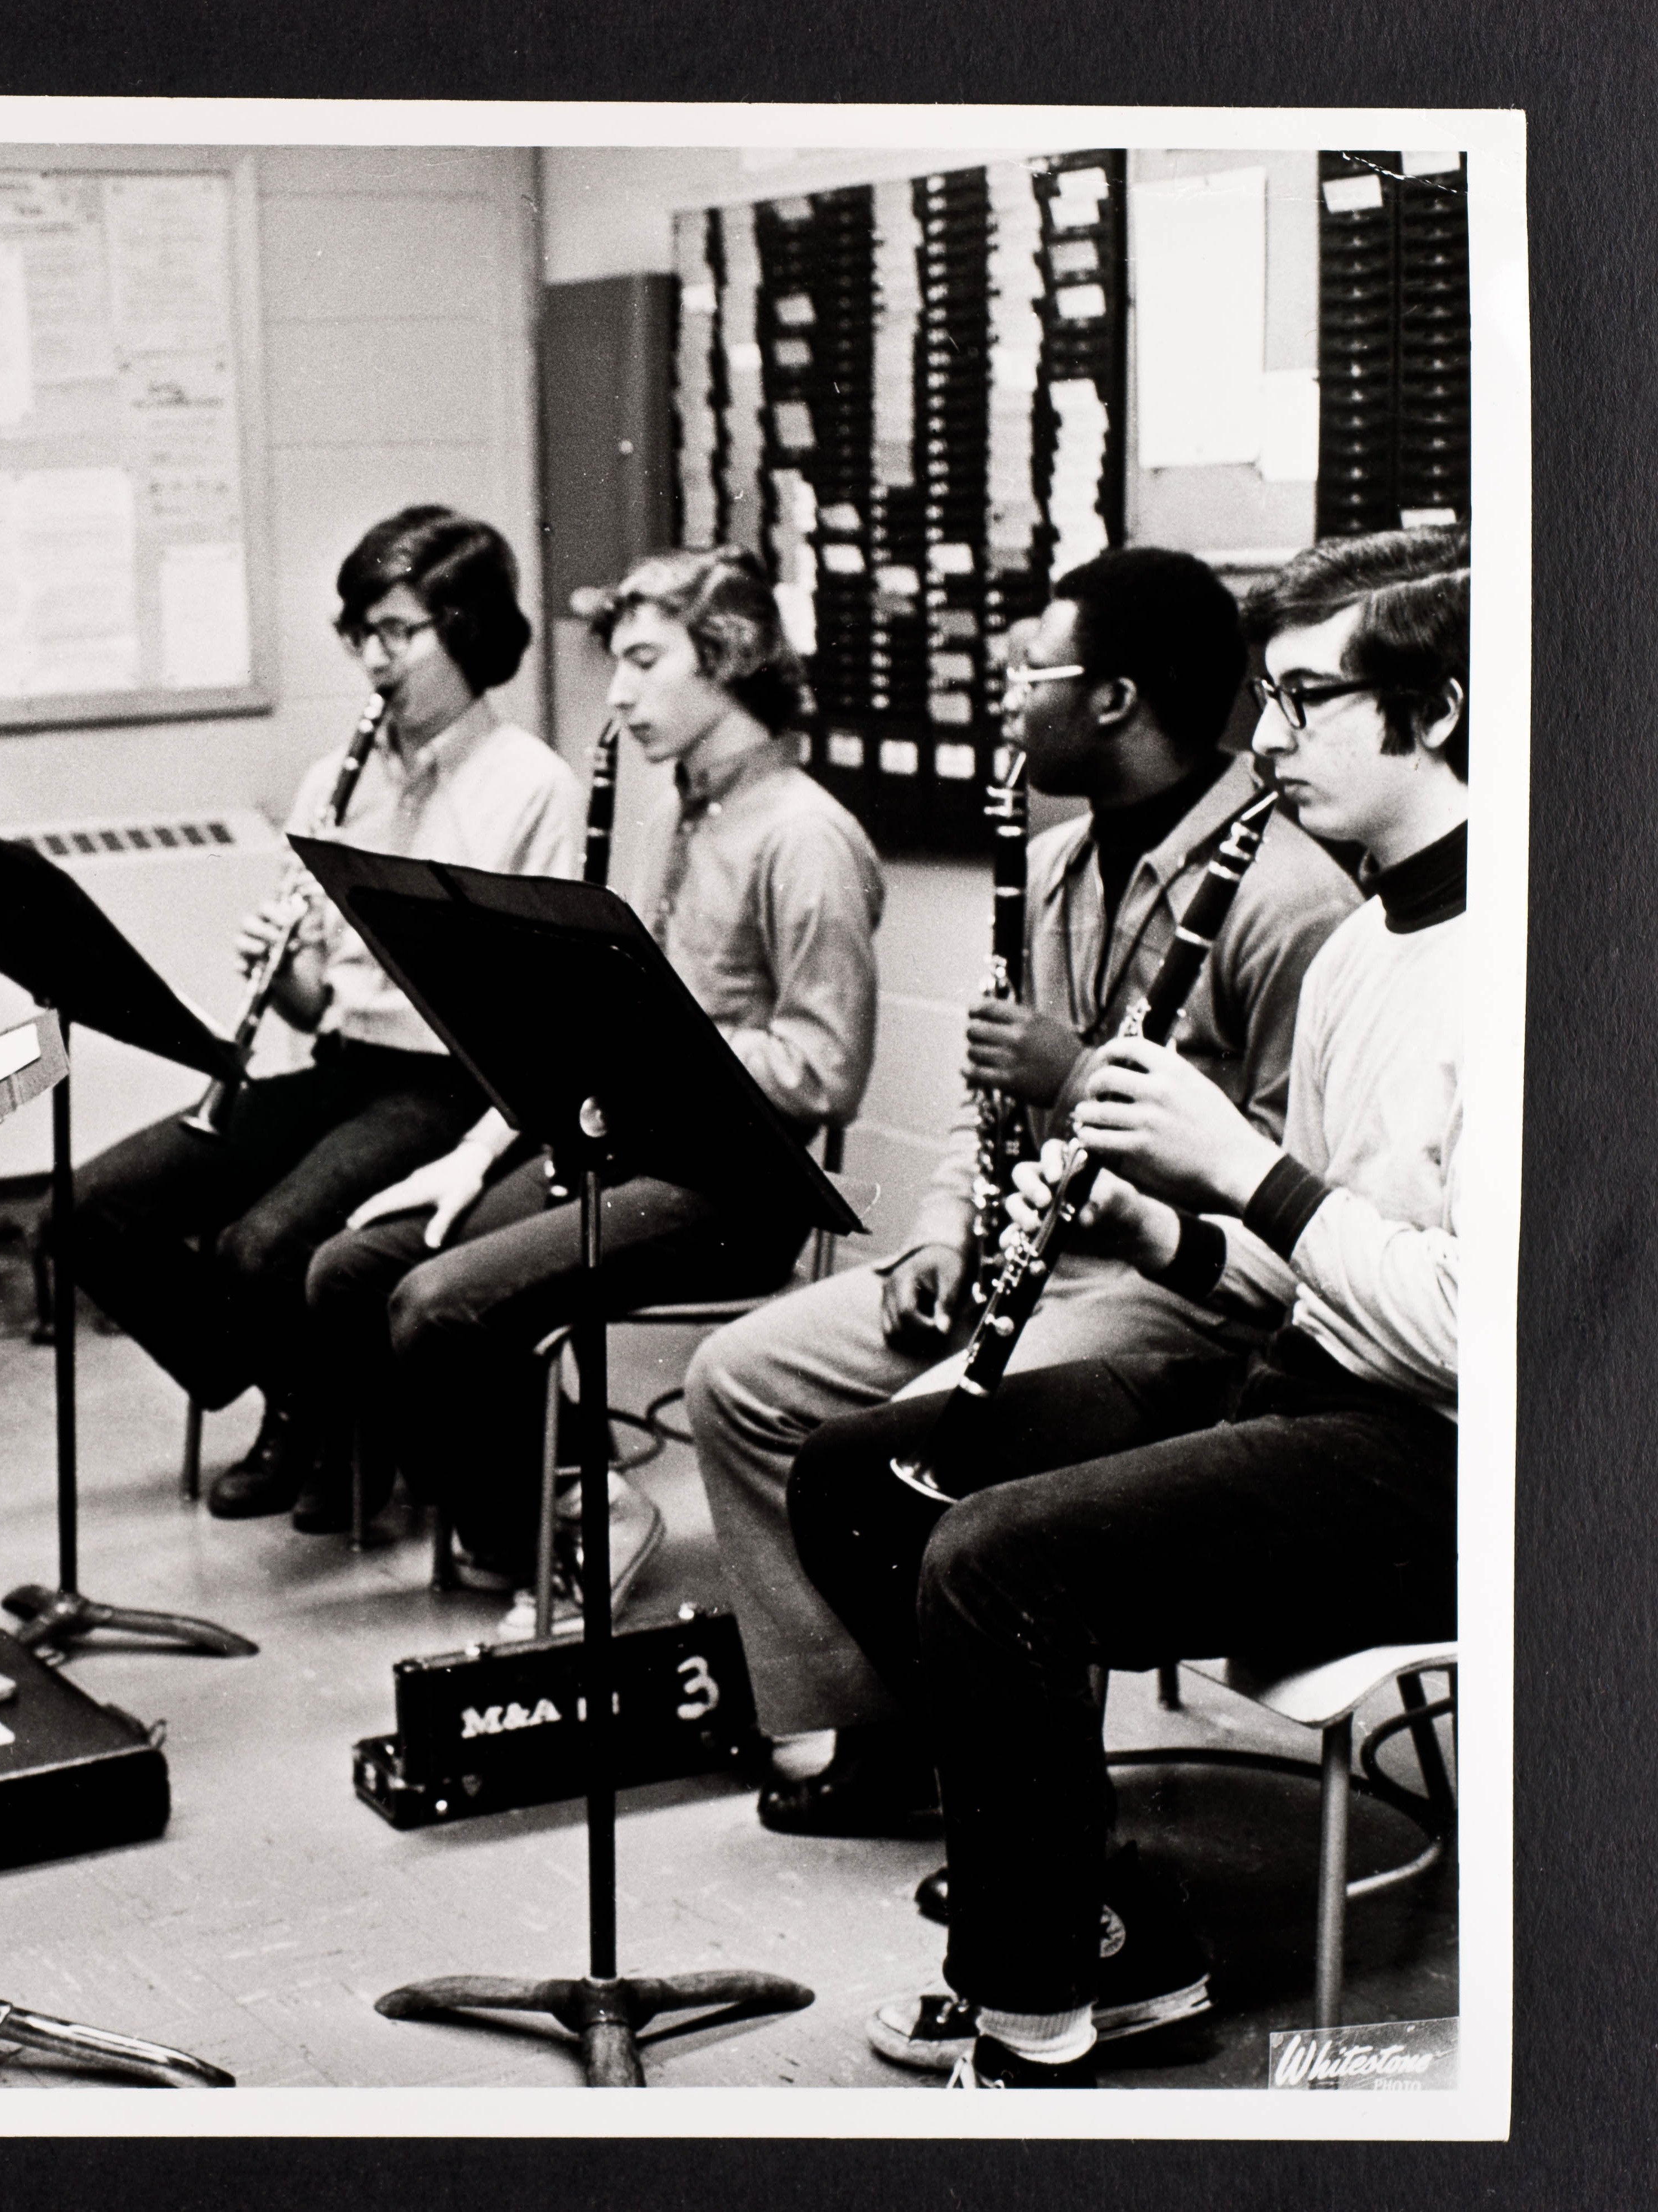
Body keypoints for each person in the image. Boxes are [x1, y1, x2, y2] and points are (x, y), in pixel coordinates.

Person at [784, 525, 1468, 2086]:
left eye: (1306, 704)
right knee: (863, 1481)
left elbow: (1470, 1332)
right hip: (1312, 1384)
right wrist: (1162, 1226)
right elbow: (1308, 1274)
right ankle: (1110, 1923)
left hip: (1444, 1454)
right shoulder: (1369, 940)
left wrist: (1244, 1165)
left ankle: (1030, 2019)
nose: (1267, 742)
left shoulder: (1520, 960)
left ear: (1427, 714)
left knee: (991, 1558)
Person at [684, 546, 1361, 1837]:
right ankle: (892, 1728)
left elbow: (1290, 1179)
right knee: (742, 1380)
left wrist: (1082, 1073)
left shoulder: (1287, 899)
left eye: (1025, 675)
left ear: (1109, 697)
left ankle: (1013, 1784)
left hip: (1176, 1290)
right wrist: (938, 1229)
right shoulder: (1054, 864)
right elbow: (982, 1103)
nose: (1004, 698)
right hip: (1019, 1251)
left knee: (918, 1443)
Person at [301, 545, 880, 1621]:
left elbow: (825, 1069)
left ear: (729, 657)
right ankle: (520, 1517)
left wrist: (672, 1042)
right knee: (356, 1265)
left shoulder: (803, 833)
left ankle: (582, 1512)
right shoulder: (680, 812)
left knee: (443, 1306)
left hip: (733, 1184)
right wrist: (467, 1161)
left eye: (645, 661)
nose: (616, 693)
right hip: (624, 1147)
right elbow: (576, 1038)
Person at [61, 507, 583, 1527]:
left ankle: (327, 1420)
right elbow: (313, 1005)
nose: (373, 660)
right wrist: (286, 970)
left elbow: (534, 1007)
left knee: (261, 1246)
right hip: (349, 1064)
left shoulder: (535, 787)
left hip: (456, 1086)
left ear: (466, 629)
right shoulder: (333, 778)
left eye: (398, 632)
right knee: (92, 1210)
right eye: (361, 634)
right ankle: (303, 1393)